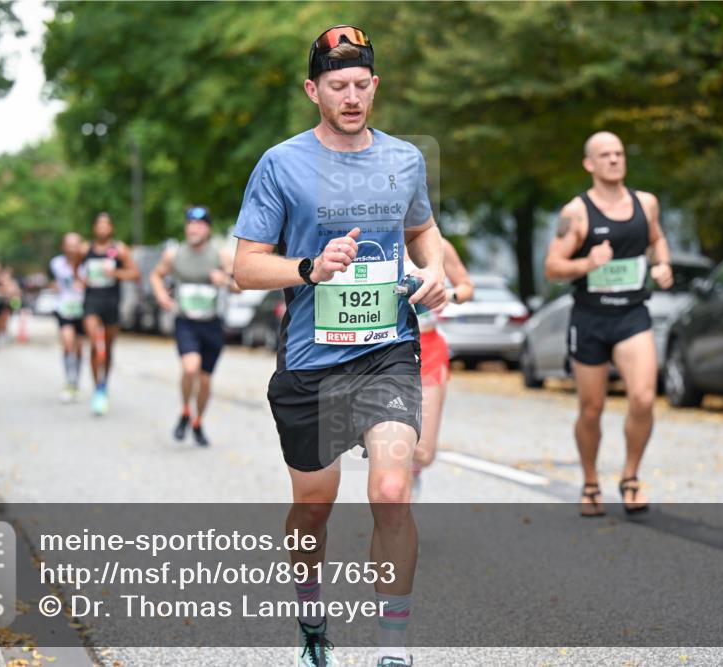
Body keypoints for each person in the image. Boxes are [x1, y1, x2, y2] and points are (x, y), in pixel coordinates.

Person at [233, 25, 446, 667]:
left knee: (390, 490)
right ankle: (311, 619)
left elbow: (424, 228)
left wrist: (433, 269)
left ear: (375, 86)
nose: (351, 97)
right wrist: (309, 269)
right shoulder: (281, 163)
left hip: (387, 351)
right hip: (310, 362)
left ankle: (393, 646)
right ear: (312, 90)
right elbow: (244, 266)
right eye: (337, 86)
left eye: (361, 85)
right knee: (314, 505)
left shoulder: (405, 158)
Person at [544, 131, 673, 517]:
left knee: (644, 398)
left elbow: (658, 239)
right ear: (590, 164)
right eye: (605, 155)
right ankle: (589, 481)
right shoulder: (576, 213)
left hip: (633, 315)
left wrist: (662, 264)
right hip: (591, 318)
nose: (615, 160)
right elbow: (552, 267)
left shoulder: (646, 204)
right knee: (591, 409)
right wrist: (587, 264)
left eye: (619, 153)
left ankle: (630, 477)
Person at [150, 206, 239, 446]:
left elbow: (240, 285)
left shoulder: (220, 255)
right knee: (191, 368)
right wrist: (161, 295)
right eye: (190, 224)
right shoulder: (174, 254)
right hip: (186, 322)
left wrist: (225, 281)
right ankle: (184, 410)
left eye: (199, 224)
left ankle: (197, 420)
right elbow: (156, 275)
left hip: (212, 325)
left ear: (208, 229)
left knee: (206, 380)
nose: (193, 228)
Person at [406, 239, 474, 499]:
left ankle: (409, 475)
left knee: (423, 452)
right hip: (381, 347)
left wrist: (448, 295)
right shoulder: (374, 242)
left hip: (428, 349)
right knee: (388, 442)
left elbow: (466, 286)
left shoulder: (438, 246)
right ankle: (395, 505)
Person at [75, 212, 140, 416]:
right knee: (95, 344)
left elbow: (135, 273)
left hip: (111, 302)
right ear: (94, 228)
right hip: (91, 301)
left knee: (109, 349)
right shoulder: (85, 249)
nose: (102, 228)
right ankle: (97, 389)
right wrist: (80, 279)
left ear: (111, 228)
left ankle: (104, 383)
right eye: (99, 224)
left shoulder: (119, 249)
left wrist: (116, 274)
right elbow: (76, 268)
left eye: (106, 225)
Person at [50, 232, 87, 402]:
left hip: (82, 309)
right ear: (63, 247)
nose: (72, 248)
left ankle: (75, 382)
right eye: (69, 244)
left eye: (75, 244)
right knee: (67, 343)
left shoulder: (87, 264)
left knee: (79, 348)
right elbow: (53, 283)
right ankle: (68, 382)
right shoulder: (56, 264)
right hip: (64, 309)